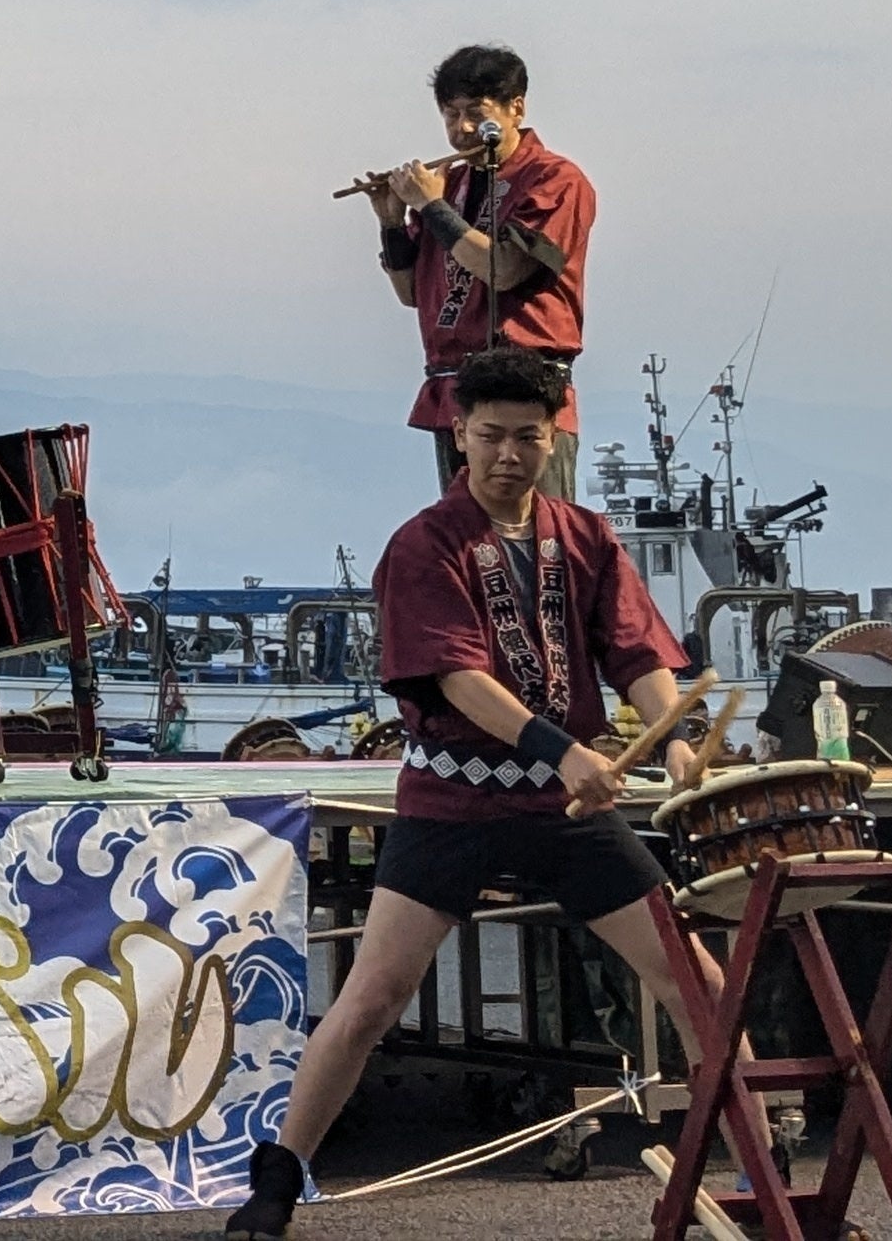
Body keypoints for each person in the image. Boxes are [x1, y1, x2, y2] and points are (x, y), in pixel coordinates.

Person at [223, 347, 701, 1236]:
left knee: (692, 976)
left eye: (528, 437)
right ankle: (276, 1184)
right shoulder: (425, 544)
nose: (509, 455)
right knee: (373, 996)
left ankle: (756, 1158)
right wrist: (565, 750)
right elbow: (456, 677)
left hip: (565, 807)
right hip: (454, 800)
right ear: (459, 433)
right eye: (491, 436)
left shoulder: (586, 536)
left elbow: (637, 651)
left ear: (554, 437)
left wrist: (672, 735)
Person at [360, 44, 593, 499]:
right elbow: (412, 294)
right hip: (453, 390)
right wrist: (391, 222)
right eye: (451, 115)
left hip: (527, 387)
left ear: (516, 109)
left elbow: (505, 270)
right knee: (463, 530)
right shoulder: (449, 184)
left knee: (536, 527)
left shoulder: (555, 179)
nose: (462, 128)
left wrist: (431, 206)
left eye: (475, 113)